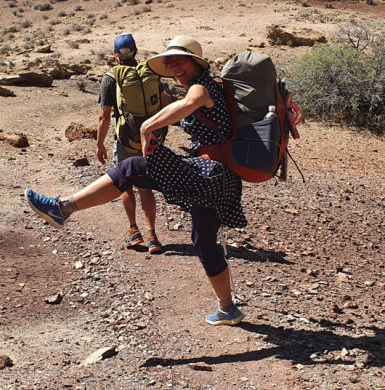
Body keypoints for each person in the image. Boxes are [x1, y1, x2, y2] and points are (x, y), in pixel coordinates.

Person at [26, 35, 246, 326]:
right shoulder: (211, 88)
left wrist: (148, 125)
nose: (173, 66)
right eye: (169, 63)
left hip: (210, 173)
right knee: (203, 242)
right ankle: (228, 308)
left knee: (130, 167)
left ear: (196, 62)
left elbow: (190, 103)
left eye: (179, 60)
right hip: (223, 178)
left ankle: (61, 208)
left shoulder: (202, 88)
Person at [96, 32, 165, 253]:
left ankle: (134, 230)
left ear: (115, 55)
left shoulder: (111, 76)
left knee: (125, 182)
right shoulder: (150, 71)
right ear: (135, 51)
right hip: (152, 137)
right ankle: (152, 235)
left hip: (126, 137)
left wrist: (99, 144)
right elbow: (164, 104)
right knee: (145, 185)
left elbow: (104, 117)